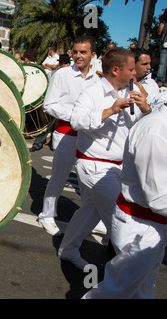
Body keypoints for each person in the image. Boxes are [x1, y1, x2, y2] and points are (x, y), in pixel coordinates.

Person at [57, 47, 152, 270]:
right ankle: (128, 274)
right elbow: (77, 121)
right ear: (116, 70)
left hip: (118, 168)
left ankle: (68, 249)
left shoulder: (133, 92)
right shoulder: (92, 92)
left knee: (89, 212)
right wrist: (109, 110)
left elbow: (144, 126)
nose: (134, 74)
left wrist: (146, 108)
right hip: (95, 167)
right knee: (121, 222)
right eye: (130, 69)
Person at [83, 91, 167, 299]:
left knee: (143, 288)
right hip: (142, 225)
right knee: (112, 292)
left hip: (151, 223)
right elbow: (158, 198)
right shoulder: (156, 132)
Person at [38, 36, 100, 236]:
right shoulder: (62, 74)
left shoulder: (98, 79)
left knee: (87, 181)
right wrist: (76, 117)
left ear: (93, 55)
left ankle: (92, 217)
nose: (78, 56)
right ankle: (46, 215)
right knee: (59, 177)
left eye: (83, 52)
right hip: (65, 133)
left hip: (89, 137)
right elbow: (48, 105)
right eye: (76, 51)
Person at [156, 10, 167, 87]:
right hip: (165, 44)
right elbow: (159, 32)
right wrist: (161, 21)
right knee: (162, 64)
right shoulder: (165, 19)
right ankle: (160, 80)